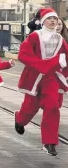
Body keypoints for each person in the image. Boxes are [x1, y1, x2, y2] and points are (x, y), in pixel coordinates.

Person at [15, 8, 68, 156]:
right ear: (43, 21)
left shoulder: (60, 39)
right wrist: (42, 65)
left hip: (51, 79)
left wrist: (64, 72)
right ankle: (20, 119)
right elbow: (23, 55)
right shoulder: (34, 37)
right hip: (34, 77)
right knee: (30, 108)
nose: (53, 21)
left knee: (52, 107)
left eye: (55, 19)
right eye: (50, 18)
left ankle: (49, 142)